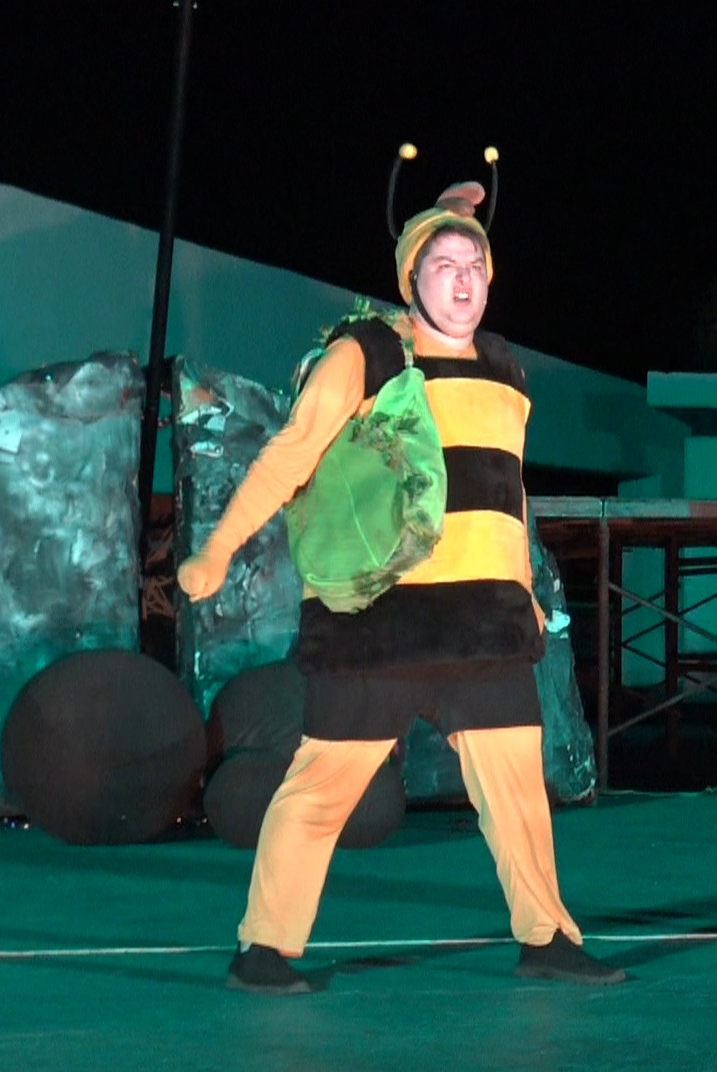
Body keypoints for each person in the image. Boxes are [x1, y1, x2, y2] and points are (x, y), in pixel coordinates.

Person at [178, 163, 624, 993]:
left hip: (484, 624)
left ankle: (547, 938)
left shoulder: (506, 371)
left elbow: (506, 494)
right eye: (443, 266)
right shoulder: (368, 354)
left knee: (518, 795)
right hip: (380, 623)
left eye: (475, 266)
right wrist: (220, 547)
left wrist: (525, 589)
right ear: (410, 279)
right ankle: (263, 948)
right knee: (321, 787)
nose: (463, 281)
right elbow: (291, 454)